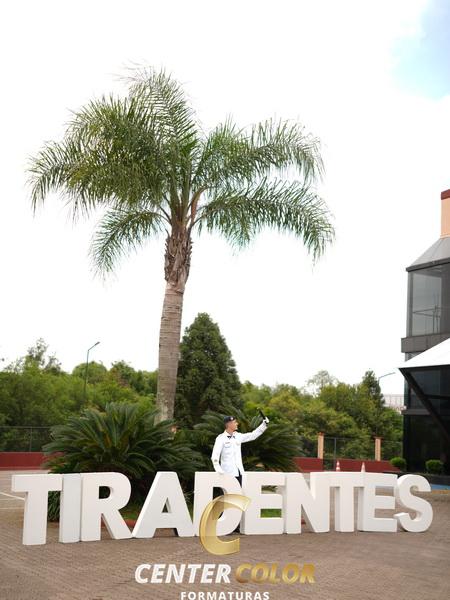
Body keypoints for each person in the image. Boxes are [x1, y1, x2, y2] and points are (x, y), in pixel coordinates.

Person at [211, 414, 269, 486]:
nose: (237, 423)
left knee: (239, 493)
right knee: (229, 493)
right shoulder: (221, 438)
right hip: (227, 473)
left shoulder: (238, 436)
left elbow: (252, 435)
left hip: (239, 472)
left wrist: (264, 425)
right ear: (229, 424)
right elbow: (215, 455)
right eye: (235, 422)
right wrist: (218, 470)